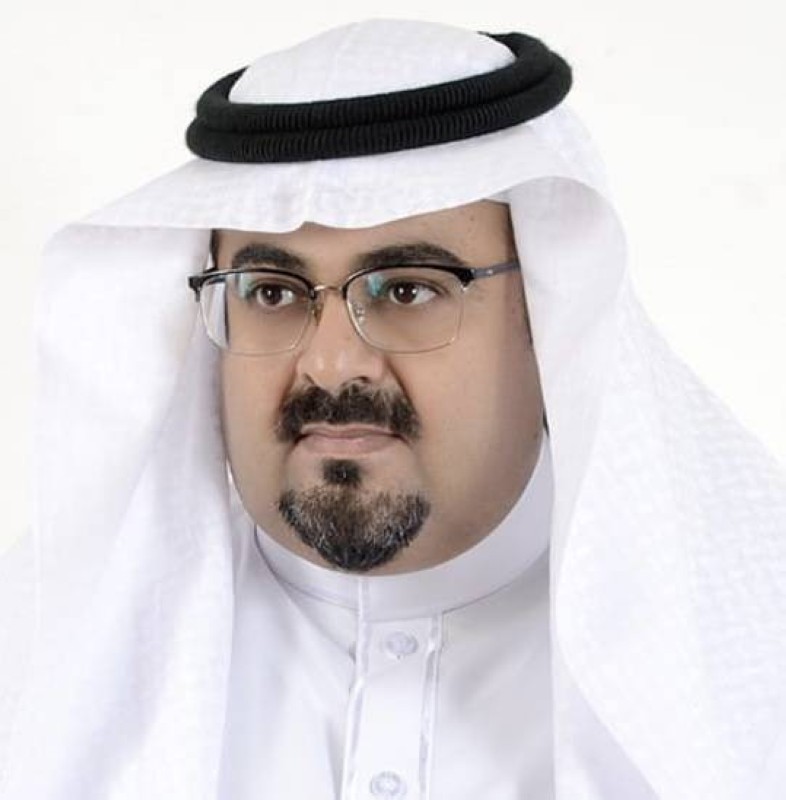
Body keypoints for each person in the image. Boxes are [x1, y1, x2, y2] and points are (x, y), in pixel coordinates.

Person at [1, 18, 785, 800]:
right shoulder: (35, 664)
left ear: (546, 315)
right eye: (271, 293)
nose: (331, 363)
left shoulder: (749, 667)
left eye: (408, 289)